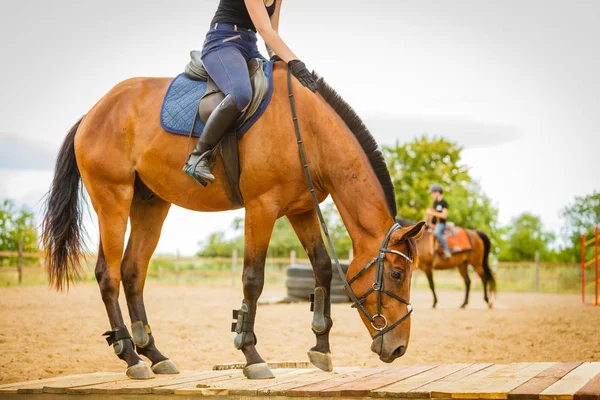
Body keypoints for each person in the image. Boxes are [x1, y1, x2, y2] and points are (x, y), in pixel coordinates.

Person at [183, 0, 318, 185]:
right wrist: (294, 61)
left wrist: (277, 60)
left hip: (250, 46)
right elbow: (265, 30)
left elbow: (272, 33)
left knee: (280, 85)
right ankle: (197, 157)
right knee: (241, 94)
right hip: (222, 42)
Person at [426, 184, 452, 259]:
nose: (431, 195)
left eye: (432, 193)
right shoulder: (435, 203)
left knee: (437, 232)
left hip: (441, 224)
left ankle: (446, 250)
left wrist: (433, 213)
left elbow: (445, 215)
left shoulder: (444, 202)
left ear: (437, 193)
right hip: (433, 224)